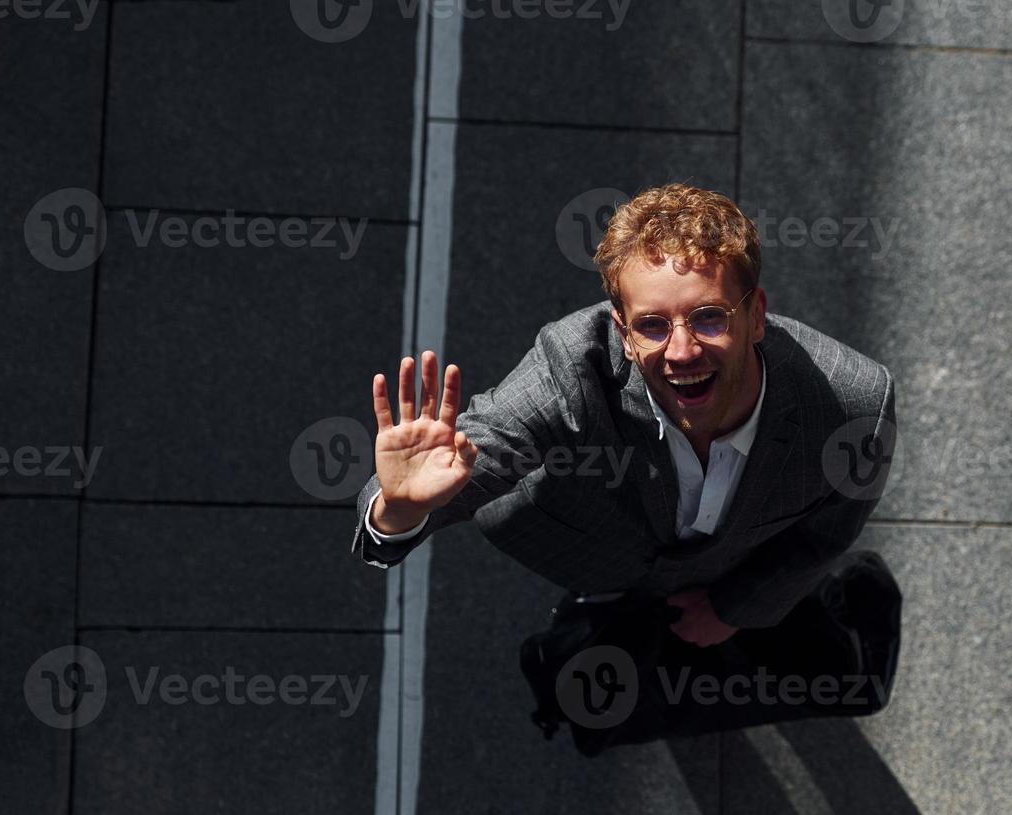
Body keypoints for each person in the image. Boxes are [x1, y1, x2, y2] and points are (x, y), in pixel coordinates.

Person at [350, 183, 898, 650]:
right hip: (583, 546)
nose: (681, 351)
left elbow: (825, 536)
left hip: (722, 570)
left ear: (756, 316)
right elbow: (483, 447)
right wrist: (396, 510)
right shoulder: (572, 366)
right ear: (623, 335)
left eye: (708, 318)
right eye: (653, 326)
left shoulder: (855, 408)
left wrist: (735, 610)